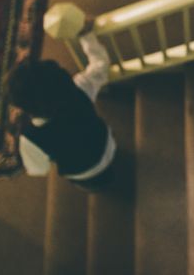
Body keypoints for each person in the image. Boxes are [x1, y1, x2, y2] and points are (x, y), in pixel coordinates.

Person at [7, 27, 116, 190]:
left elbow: (39, 169)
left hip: (83, 172)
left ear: (24, 108)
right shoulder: (81, 87)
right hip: (106, 143)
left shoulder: (29, 139)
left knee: (92, 183)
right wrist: (86, 35)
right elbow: (100, 64)